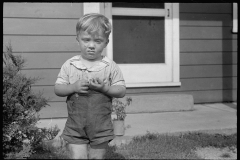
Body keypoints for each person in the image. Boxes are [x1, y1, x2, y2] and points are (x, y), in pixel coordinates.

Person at [54, 13, 126, 159]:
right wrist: (73, 87)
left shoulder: (110, 66)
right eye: (86, 40)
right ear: (78, 40)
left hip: (100, 126)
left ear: (106, 42)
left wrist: (105, 89)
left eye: (98, 41)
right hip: (76, 125)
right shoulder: (70, 65)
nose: (91, 45)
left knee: (96, 158)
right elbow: (58, 89)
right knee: (78, 157)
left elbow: (121, 90)